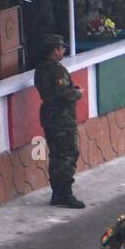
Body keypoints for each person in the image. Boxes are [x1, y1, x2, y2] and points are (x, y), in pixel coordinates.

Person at [33, 34, 85, 208]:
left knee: (56, 155)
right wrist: (77, 93)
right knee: (67, 155)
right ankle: (65, 194)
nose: (63, 51)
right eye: (62, 48)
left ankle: (58, 193)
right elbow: (63, 93)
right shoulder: (55, 70)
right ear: (55, 50)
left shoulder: (40, 68)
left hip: (50, 117)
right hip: (61, 118)